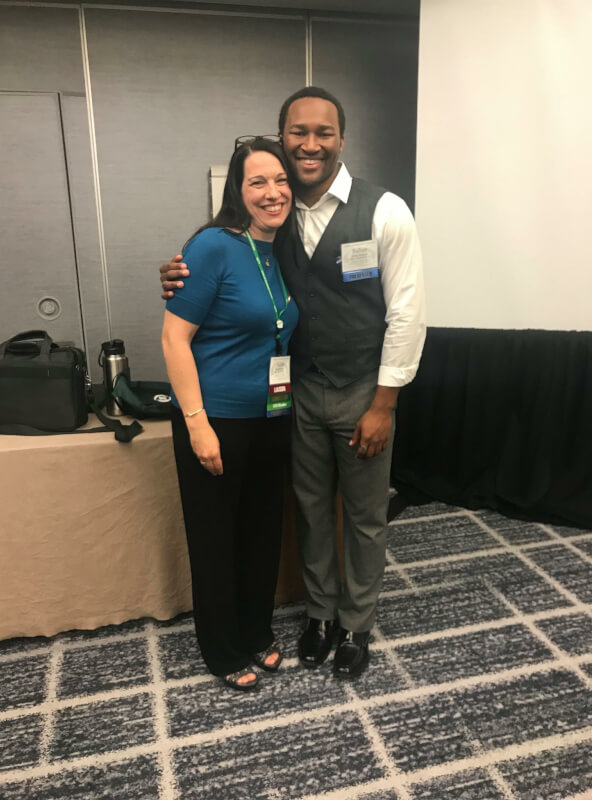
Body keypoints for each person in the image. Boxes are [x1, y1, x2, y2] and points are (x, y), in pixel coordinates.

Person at [161, 87, 426, 679]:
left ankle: (355, 625)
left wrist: (385, 403)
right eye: (298, 133)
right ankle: (319, 617)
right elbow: (217, 269)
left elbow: (408, 314)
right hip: (295, 394)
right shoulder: (269, 222)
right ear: (283, 139)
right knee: (308, 511)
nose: (310, 145)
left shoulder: (384, 211)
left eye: (323, 133)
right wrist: (178, 272)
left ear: (341, 140)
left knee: (361, 516)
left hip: (363, 389)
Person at [161, 137, 299, 691]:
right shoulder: (214, 245)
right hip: (214, 417)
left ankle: (256, 629)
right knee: (216, 536)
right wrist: (196, 423)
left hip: (272, 414)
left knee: (262, 531)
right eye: (258, 182)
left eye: (281, 180)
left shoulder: (281, 250)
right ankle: (221, 649)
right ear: (236, 192)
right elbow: (174, 338)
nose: (273, 192)